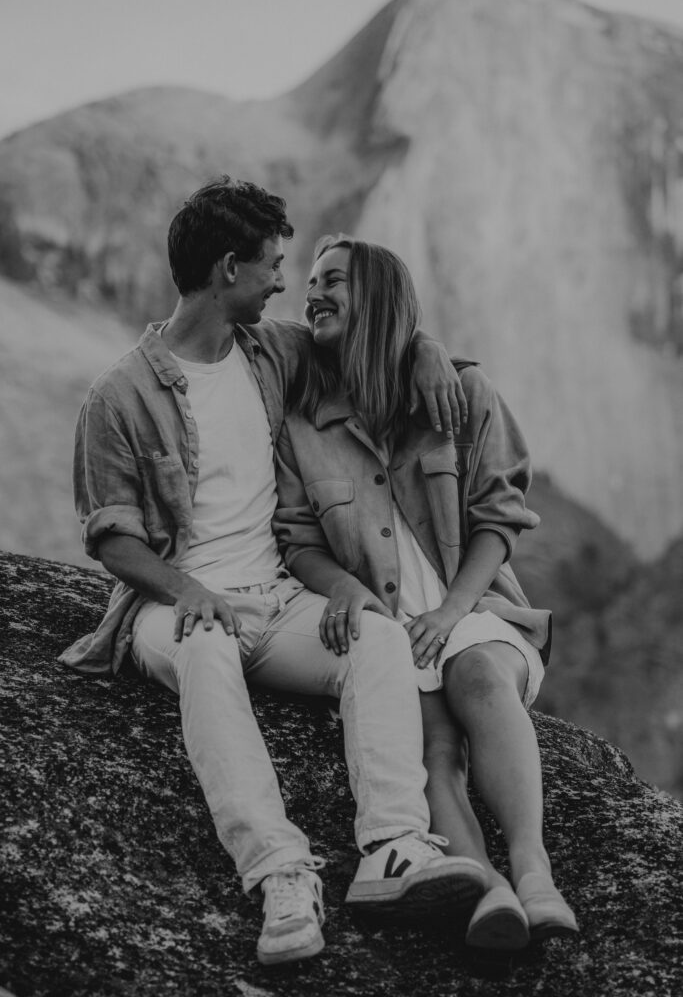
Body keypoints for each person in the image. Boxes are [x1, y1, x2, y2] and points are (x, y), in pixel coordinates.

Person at [59, 177, 487, 967]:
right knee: (206, 649)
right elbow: (110, 539)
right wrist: (190, 591)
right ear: (229, 270)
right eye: (273, 267)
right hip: (171, 606)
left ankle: (393, 848)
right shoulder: (117, 396)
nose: (286, 285)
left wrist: (426, 351)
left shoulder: (270, 351)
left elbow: (366, 336)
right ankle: (280, 872)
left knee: (378, 639)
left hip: (278, 599)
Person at [274, 235, 579, 951]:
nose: (312, 293)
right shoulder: (300, 422)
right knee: (429, 746)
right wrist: (347, 591)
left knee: (476, 676)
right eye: (308, 281)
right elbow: (297, 539)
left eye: (333, 280)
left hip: (472, 608)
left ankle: (533, 870)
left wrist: (450, 612)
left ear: (379, 298)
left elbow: (499, 518)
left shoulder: (461, 392)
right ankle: (485, 886)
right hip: (388, 628)